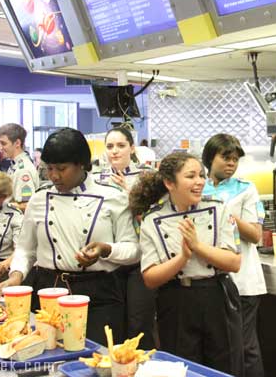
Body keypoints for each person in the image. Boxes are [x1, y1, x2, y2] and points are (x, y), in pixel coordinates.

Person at [0, 128, 140, 346]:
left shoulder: (113, 197)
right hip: (48, 289)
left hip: (99, 293)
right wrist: (17, 275)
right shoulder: (38, 199)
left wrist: (106, 249)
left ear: (81, 164)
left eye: (61, 169)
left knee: (95, 359)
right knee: (46, 354)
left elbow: (134, 250)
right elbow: (26, 249)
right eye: (49, 168)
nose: (54, 175)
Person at [129, 152, 243, 375]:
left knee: (225, 366)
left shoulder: (219, 209)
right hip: (176, 300)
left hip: (217, 295)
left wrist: (197, 246)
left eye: (201, 175)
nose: (199, 181)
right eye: (191, 176)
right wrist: (182, 257)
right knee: (182, 368)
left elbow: (234, 262)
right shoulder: (151, 219)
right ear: (169, 183)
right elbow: (150, 278)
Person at [202, 133, 266, 377]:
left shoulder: (246, 189)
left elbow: (255, 234)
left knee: (245, 347)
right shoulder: (198, 187)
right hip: (212, 282)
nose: (231, 164)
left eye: (235, 159)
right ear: (210, 158)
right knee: (221, 348)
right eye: (225, 158)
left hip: (244, 283)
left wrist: (227, 213)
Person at [95, 125, 156, 349]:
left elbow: (154, 217)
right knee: (113, 322)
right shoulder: (96, 179)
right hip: (109, 257)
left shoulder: (147, 177)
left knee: (139, 323)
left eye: (121, 146)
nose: (115, 151)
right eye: (110, 146)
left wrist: (129, 193)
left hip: (141, 257)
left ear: (132, 148)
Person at [0, 124, 39, 208]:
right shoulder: (15, 164)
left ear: (17, 143)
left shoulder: (23, 170)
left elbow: (26, 205)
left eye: (3, 143)